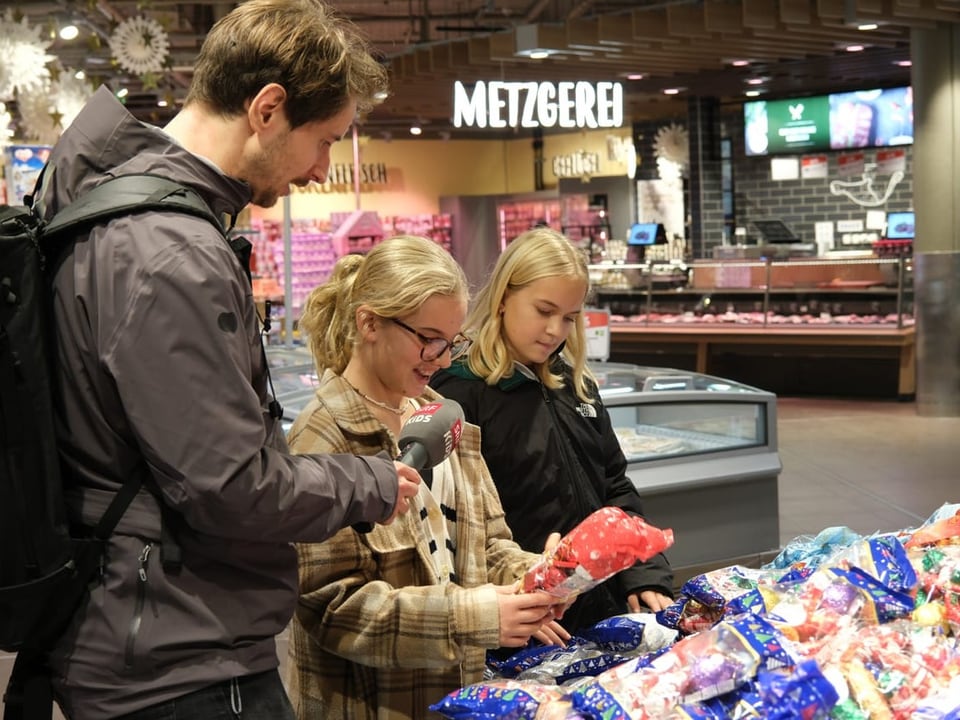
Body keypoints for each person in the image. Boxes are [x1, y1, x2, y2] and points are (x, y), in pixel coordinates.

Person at [31, 1, 421, 718]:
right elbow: (232, 488)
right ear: (268, 109)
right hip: (178, 660)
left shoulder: (123, 215)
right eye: (325, 140)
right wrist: (370, 483)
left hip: (142, 630)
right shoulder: (172, 253)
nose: (320, 170)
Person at [286, 235, 570, 719]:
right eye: (427, 339)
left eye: (452, 341)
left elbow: (489, 543)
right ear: (369, 322)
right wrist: (476, 616)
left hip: (455, 697)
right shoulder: (322, 436)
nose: (441, 359)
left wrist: (536, 577)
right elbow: (331, 609)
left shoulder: (441, 420)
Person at [430, 227, 674, 634]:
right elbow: (453, 528)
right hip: (522, 622)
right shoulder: (459, 393)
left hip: (602, 609)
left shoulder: (575, 383)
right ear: (505, 296)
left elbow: (614, 488)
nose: (555, 330)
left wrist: (643, 570)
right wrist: (506, 602)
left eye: (569, 317)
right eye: (544, 311)